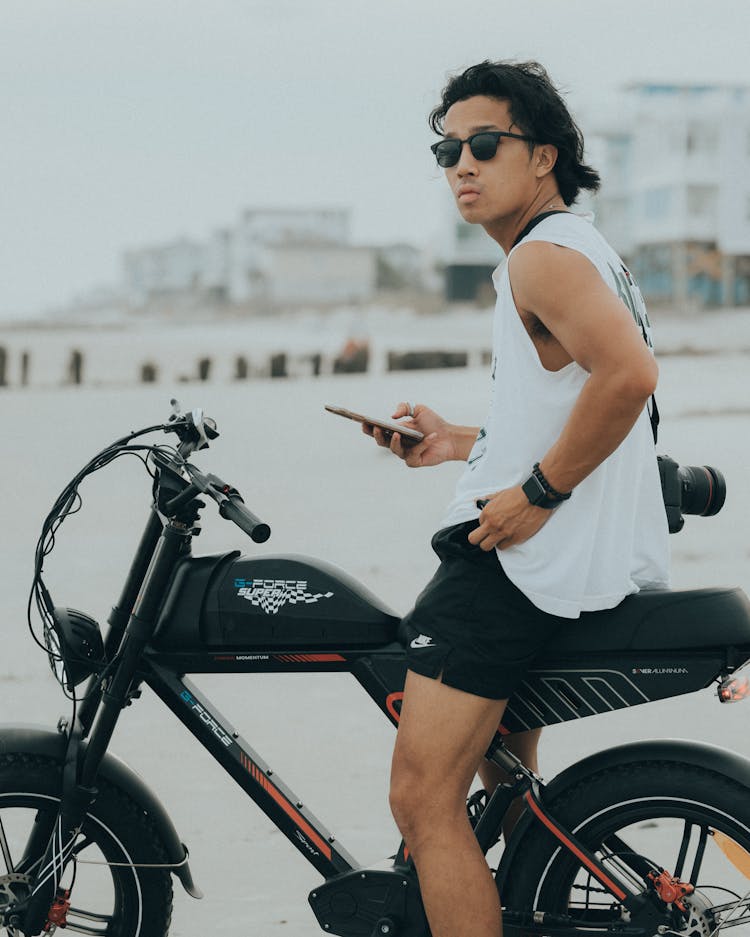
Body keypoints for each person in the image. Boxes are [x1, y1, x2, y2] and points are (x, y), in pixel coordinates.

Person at [363, 61, 670, 937]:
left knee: (423, 801)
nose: (461, 163)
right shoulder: (579, 246)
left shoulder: (542, 257)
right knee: (503, 785)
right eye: (447, 148)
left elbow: (630, 378)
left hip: (522, 563)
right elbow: (572, 398)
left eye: (483, 144)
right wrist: (456, 442)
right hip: (565, 557)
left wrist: (537, 492)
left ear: (542, 156)